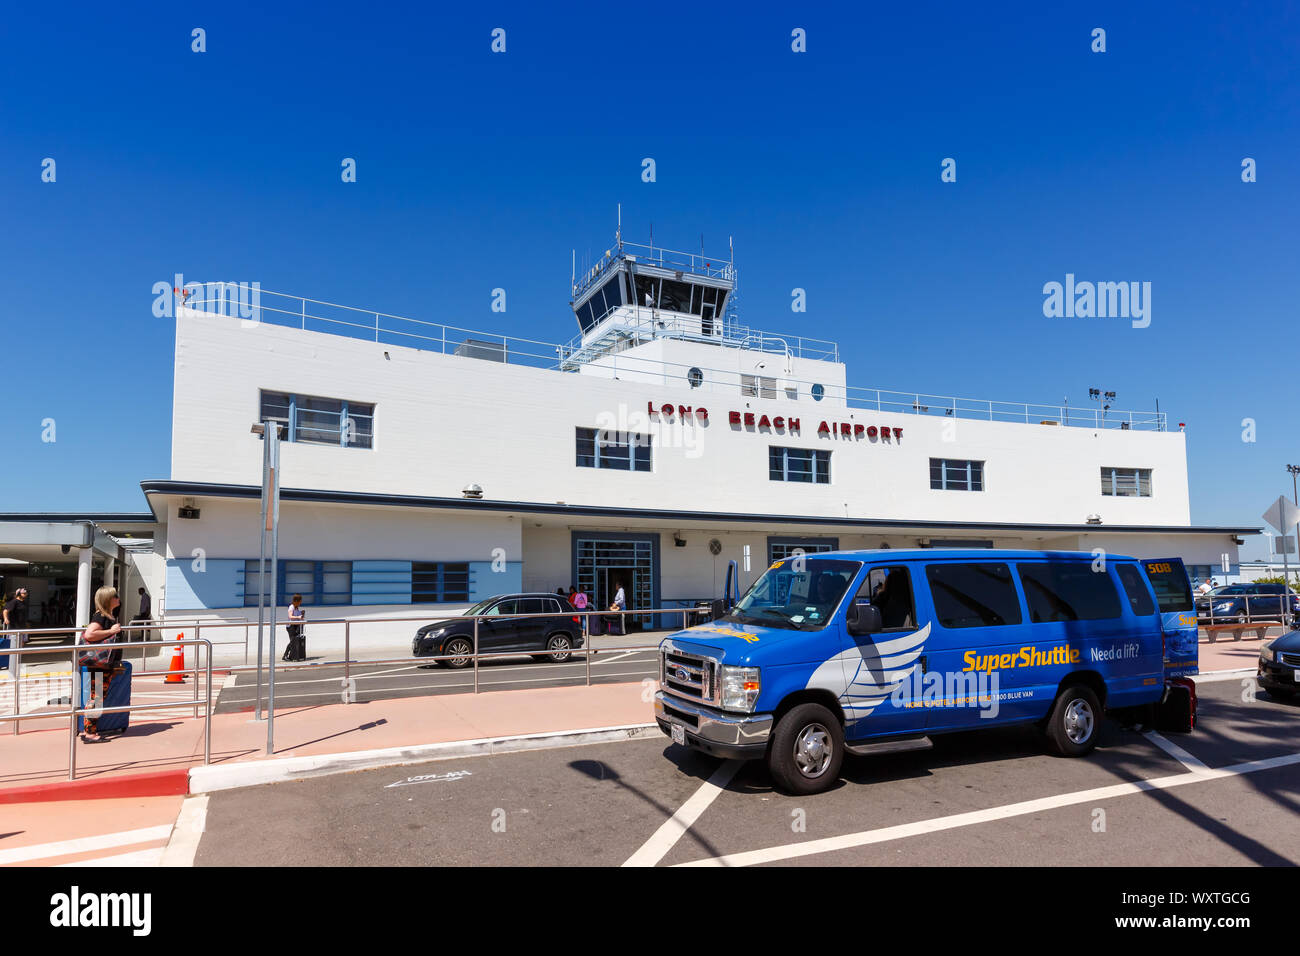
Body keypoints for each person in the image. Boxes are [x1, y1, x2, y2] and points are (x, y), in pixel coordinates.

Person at [80, 586, 123, 742]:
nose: (118, 598)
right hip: (100, 665)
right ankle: (89, 733)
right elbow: (90, 634)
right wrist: (111, 631)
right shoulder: (101, 616)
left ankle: (89, 730)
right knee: (96, 697)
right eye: (115, 596)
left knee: (97, 696)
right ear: (108, 599)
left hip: (106, 665)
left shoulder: (108, 616)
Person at [284, 593, 305, 662]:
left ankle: (291, 656)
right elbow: (290, 616)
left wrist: (301, 614)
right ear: (297, 601)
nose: (300, 603)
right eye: (300, 601)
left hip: (295, 626)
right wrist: (298, 617)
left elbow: (299, 617)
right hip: (290, 626)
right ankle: (285, 655)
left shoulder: (297, 608)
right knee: (293, 641)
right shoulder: (291, 607)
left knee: (294, 641)